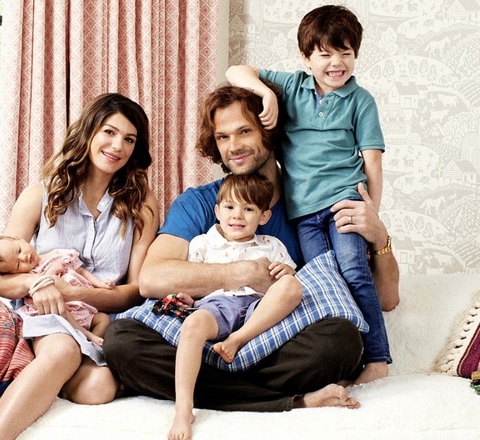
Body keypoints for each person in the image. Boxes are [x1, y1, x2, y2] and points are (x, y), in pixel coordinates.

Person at [103, 85, 399, 418]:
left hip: (276, 340)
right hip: (205, 332)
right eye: (223, 137)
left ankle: (206, 388)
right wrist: (241, 273)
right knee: (122, 341)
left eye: (245, 131)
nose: (234, 146)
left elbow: (385, 300)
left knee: (342, 341)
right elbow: (151, 280)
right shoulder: (199, 202)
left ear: (270, 132)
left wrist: (380, 240)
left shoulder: (316, 205)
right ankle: (294, 400)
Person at [226, 4, 390, 384]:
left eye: (346, 53)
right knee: (324, 279)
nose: (337, 63)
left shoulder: (360, 101)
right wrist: (265, 94)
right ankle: (344, 359)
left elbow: (373, 162)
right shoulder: (291, 87)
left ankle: (378, 358)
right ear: (306, 58)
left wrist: (372, 216)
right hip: (303, 211)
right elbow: (235, 71)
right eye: (326, 54)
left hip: (344, 202)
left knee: (354, 270)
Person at [0, 93, 159, 440]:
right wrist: (38, 284)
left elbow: (134, 291)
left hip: (99, 319)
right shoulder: (41, 194)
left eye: (129, 139)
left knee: (99, 388)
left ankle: (48, 374)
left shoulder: (142, 204)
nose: (117, 146)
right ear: (89, 132)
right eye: (109, 132)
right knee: (62, 349)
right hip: (47, 314)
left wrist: (75, 293)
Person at [167, 173, 301, 439]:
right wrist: (190, 299)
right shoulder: (203, 243)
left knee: (293, 286)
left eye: (248, 209)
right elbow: (195, 281)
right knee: (192, 325)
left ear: (264, 216)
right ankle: (183, 409)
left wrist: (287, 272)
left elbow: (288, 282)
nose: (237, 215)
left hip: (258, 309)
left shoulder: (271, 245)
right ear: (217, 211)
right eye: (230, 207)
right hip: (218, 304)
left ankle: (237, 340)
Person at [0, 236, 112, 346]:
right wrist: (52, 271)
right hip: (63, 312)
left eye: (19, 250)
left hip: (85, 307)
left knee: (103, 319)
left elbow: (81, 271)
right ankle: (87, 335)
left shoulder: (58, 254)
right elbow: (47, 284)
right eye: (18, 264)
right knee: (61, 312)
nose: (24, 258)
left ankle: (92, 347)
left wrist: (100, 284)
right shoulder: (32, 275)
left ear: (20, 239)